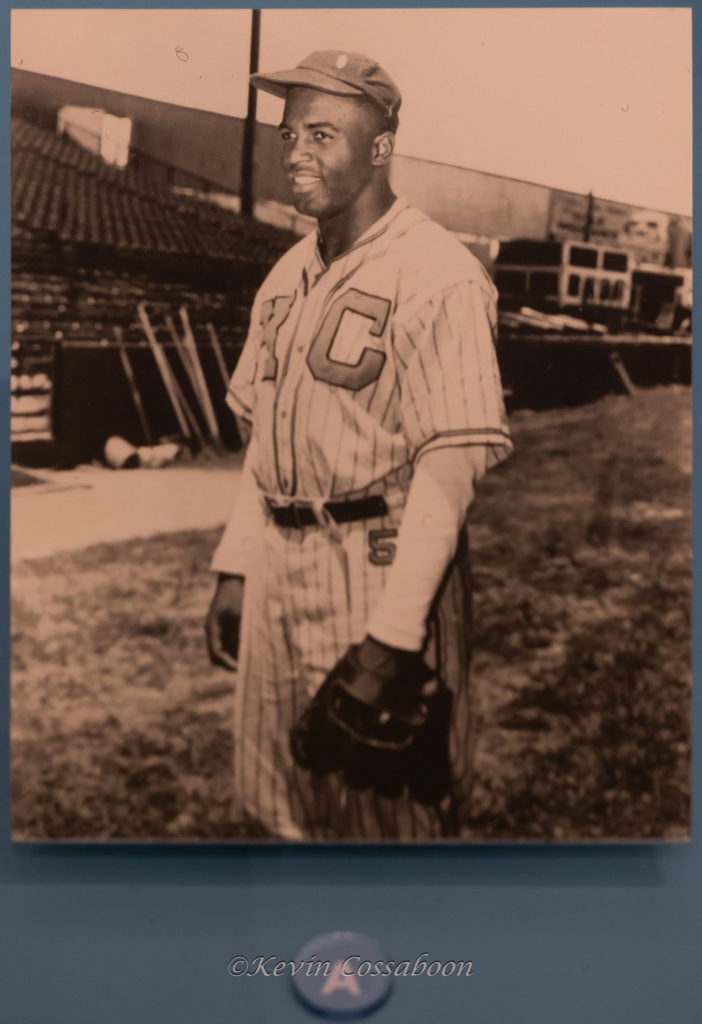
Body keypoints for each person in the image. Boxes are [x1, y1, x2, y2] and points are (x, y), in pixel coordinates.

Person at [205, 50, 513, 840]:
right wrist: (238, 565)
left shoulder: (439, 272)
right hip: (280, 556)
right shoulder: (285, 274)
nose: (296, 153)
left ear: (379, 148)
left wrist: (396, 637)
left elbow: (448, 478)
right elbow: (266, 442)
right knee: (278, 807)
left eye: (321, 134)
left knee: (384, 817)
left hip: (376, 562)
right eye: (287, 135)